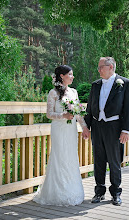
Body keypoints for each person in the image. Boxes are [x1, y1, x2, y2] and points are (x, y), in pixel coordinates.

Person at [33, 65, 90, 206]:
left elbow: (78, 113)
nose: (73, 77)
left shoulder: (74, 92)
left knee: (70, 157)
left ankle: (72, 191)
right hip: (59, 129)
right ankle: (55, 193)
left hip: (71, 130)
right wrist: (63, 115)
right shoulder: (53, 93)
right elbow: (49, 114)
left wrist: (84, 127)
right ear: (62, 76)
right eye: (70, 74)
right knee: (59, 157)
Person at [83, 57, 129, 206]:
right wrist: (87, 127)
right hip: (97, 127)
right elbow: (89, 108)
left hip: (115, 127)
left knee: (114, 161)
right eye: (98, 67)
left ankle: (116, 193)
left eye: (101, 67)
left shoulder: (125, 84)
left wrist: (126, 130)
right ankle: (99, 192)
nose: (98, 70)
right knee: (98, 161)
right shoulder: (95, 85)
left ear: (110, 67)